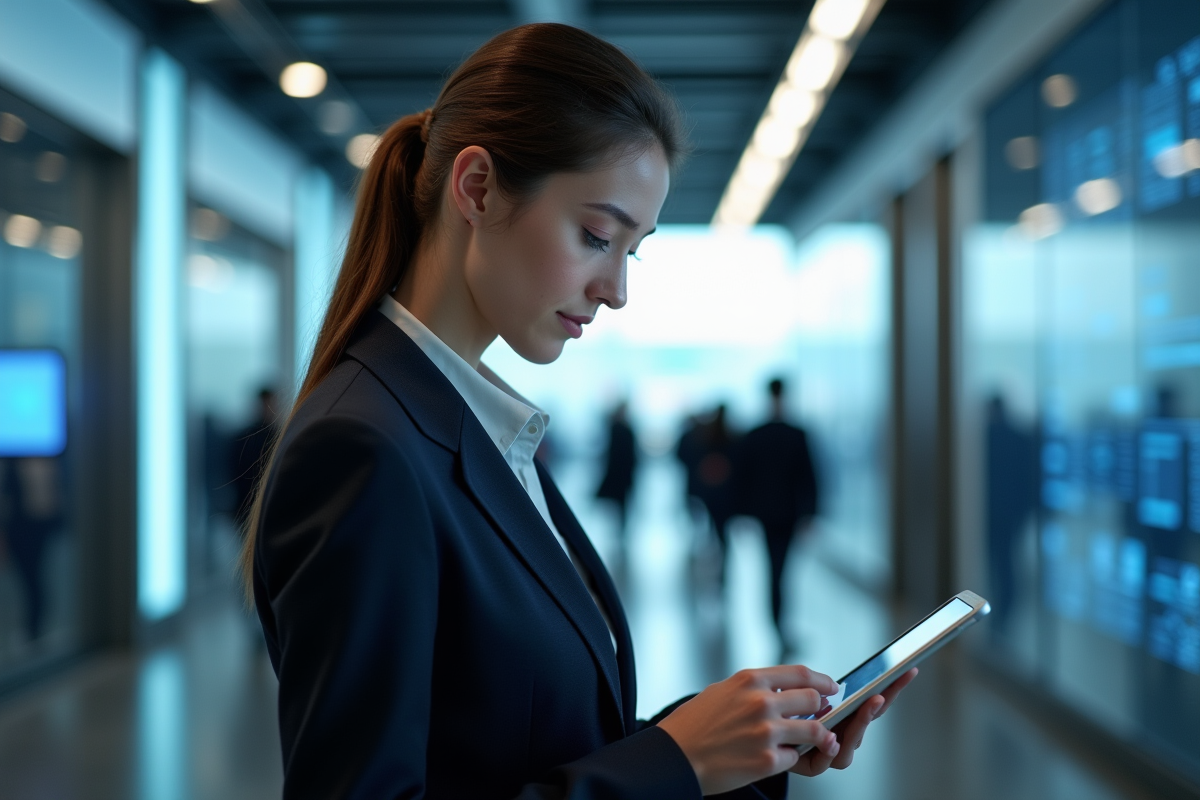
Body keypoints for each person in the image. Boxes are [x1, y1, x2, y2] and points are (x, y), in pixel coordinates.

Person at [242, 24, 913, 799]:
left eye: (633, 249)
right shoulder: (366, 451)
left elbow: (533, 747)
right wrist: (675, 762)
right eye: (597, 235)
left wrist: (732, 741)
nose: (616, 289)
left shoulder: (474, 428)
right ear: (479, 189)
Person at [735, 378, 819, 650]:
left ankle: (778, 625)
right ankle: (779, 626)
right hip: (787, 513)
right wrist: (809, 513)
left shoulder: (755, 434)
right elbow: (809, 477)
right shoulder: (796, 433)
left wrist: (744, 512)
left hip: (769, 514)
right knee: (779, 570)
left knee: (775, 569)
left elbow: (743, 477)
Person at [229, 386, 279, 530]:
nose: (268, 409)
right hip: (246, 507)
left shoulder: (279, 436)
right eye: (266, 404)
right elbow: (235, 473)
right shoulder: (244, 438)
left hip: (270, 506)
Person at [595, 400, 638, 539]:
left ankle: (620, 531)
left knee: (620, 505)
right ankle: (620, 531)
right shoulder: (622, 429)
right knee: (622, 504)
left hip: (620, 474)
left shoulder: (616, 429)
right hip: (622, 475)